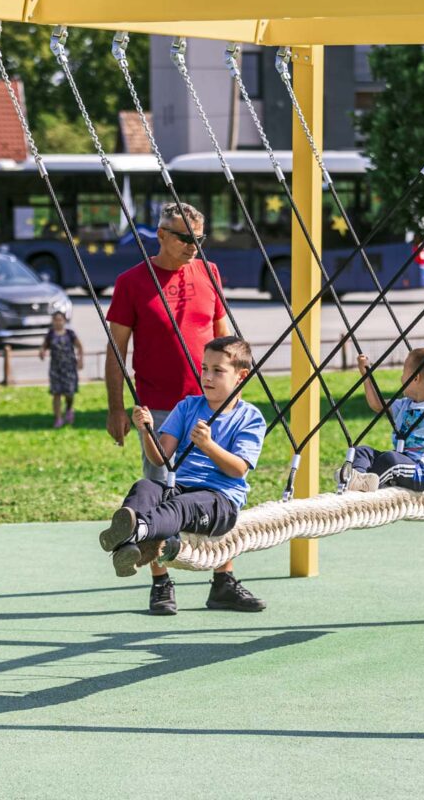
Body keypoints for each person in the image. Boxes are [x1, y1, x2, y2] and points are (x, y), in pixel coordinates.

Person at [105, 201, 265, 615]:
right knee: (160, 490)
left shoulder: (209, 273)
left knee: (212, 487)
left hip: (211, 405)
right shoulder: (132, 282)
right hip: (159, 403)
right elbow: (116, 350)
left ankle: (223, 581)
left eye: (200, 238)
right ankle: (161, 583)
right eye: (184, 238)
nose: (194, 246)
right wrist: (116, 408)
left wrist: (232, 392)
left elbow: (224, 339)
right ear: (160, 235)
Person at [99, 337, 267, 617]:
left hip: (219, 500)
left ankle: (134, 535)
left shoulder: (249, 417)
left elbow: (238, 469)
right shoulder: (188, 407)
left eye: (218, 371)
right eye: (204, 369)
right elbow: (161, 459)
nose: (207, 377)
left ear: (241, 376)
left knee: (178, 507)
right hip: (182, 488)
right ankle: (132, 542)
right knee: (146, 487)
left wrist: (209, 446)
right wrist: (146, 431)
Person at [345, 348, 424, 492]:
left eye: (403, 373)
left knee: (390, 459)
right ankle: (357, 478)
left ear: (415, 378)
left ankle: (366, 485)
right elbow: (377, 405)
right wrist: (366, 375)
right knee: (361, 451)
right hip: (401, 461)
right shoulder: (405, 404)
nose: (401, 378)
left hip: (421, 471)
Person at [40, 310, 83, 427]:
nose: (58, 322)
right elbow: (43, 347)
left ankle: (69, 409)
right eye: (55, 320)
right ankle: (58, 418)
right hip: (55, 368)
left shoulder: (70, 333)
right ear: (53, 322)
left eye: (60, 320)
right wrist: (42, 352)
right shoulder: (50, 334)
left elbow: (79, 347)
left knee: (69, 393)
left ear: (64, 321)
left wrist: (80, 360)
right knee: (56, 393)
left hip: (69, 368)